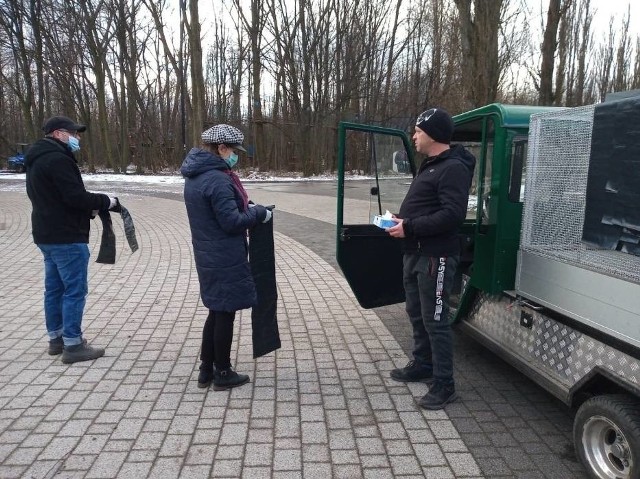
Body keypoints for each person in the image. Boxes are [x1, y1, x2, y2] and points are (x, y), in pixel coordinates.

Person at [386, 108, 475, 409]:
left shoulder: (453, 168)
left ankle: (445, 384)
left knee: (436, 320)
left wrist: (408, 226)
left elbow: (452, 215)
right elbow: (429, 207)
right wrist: (402, 220)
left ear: (433, 134)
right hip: (415, 252)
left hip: (435, 258)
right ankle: (422, 364)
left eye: (418, 131)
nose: (413, 136)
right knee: (416, 312)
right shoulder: (431, 165)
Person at [181, 124, 272, 391]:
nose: (236, 156)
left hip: (208, 252)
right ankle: (222, 371)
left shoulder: (197, 175)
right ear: (221, 149)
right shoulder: (218, 178)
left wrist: (248, 205)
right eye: (233, 150)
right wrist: (259, 214)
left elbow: (223, 210)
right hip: (224, 254)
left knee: (216, 310)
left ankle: (205, 369)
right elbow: (231, 222)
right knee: (225, 313)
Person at [25, 115, 118, 364]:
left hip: (46, 233)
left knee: (54, 289)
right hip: (66, 236)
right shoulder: (58, 159)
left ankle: (56, 339)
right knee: (74, 290)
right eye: (73, 133)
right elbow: (75, 197)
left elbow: (56, 197)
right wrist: (106, 202)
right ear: (58, 134)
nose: (77, 138)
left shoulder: (37, 158)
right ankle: (73, 345)